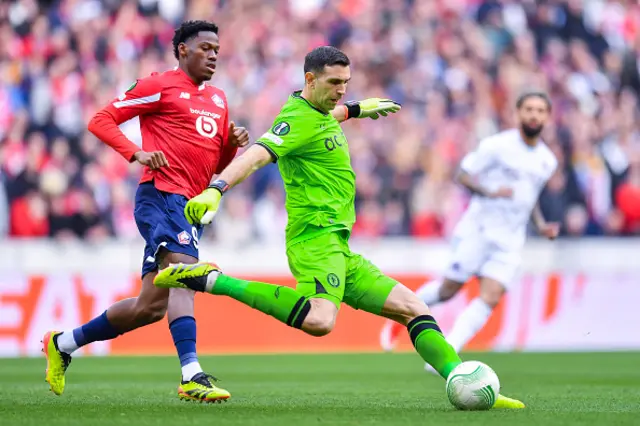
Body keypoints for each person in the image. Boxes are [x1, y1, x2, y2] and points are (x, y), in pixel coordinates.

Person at [153, 46, 524, 409]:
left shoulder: (321, 110)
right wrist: (217, 189)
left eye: (346, 82)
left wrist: (358, 109)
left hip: (339, 246)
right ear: (309, 80)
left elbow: (327, 118)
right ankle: (212, 280)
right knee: (319, 320)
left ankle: (465, 382)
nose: (342, 90)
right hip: (314, 240)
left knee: (414, 307)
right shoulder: (296, 119)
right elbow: (257, 155)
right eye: (335, 83)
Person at [42, 20, 249, 402]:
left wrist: (232, 145)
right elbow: (101, 120)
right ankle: (192, 374)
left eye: (217, 49)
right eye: (206, 48)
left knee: (149, 307)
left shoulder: (218, 99)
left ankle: (64, 343)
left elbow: (215, 166)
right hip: (160, 196)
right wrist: (135, 152)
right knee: (187, 273)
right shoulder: (158, 85)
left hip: (189, 206)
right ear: (183, 50)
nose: (214, 55)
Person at [379, 92, 559, 368]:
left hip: (510, 240)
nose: (534, 115)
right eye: (529, 109)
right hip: (479, 229)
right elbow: (463, 175)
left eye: (540, 110)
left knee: (491, 296)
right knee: (448, 290)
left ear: (547, 116)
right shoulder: (497, 146)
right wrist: (490, 191)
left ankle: (447, 352)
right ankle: (399, 317)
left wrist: (541, 225)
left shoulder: (547, 160)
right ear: (517, 113)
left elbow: (529, 197)